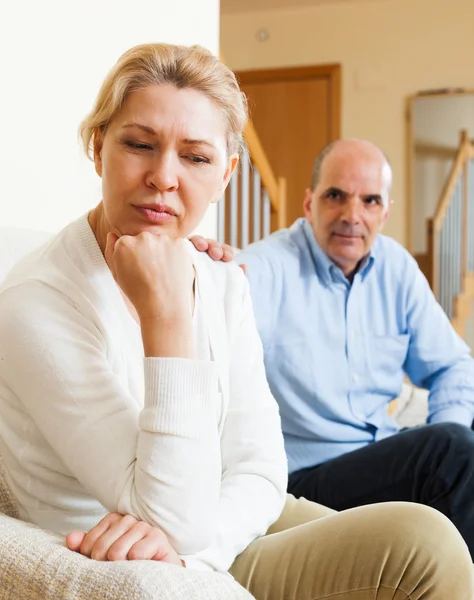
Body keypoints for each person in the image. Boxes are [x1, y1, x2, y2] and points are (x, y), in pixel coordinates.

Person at [0, 46, 472, 600]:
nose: (163, 177)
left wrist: (201, 549)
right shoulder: (36, 303)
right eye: (138, 144)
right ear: (97, 147)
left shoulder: (219, 278)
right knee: (426, 549)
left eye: (195, 158)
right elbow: (171, 515)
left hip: (223, 518)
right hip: (132, 540)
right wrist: (167, 316)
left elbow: (262, 465)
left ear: (225, 175)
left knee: (431, 532)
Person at [194, 137, 474, 559]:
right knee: (449, 453)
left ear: (386, 211)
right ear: (309, 204)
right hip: (305, 477)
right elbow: (220, 301)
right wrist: (210, 272)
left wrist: (452, 426)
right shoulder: (272, 266)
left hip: (380, 456)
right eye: (335, 196)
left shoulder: (396, 268)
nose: (352, 216)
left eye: (370, 201)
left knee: (457, 444)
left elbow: (451, 364)